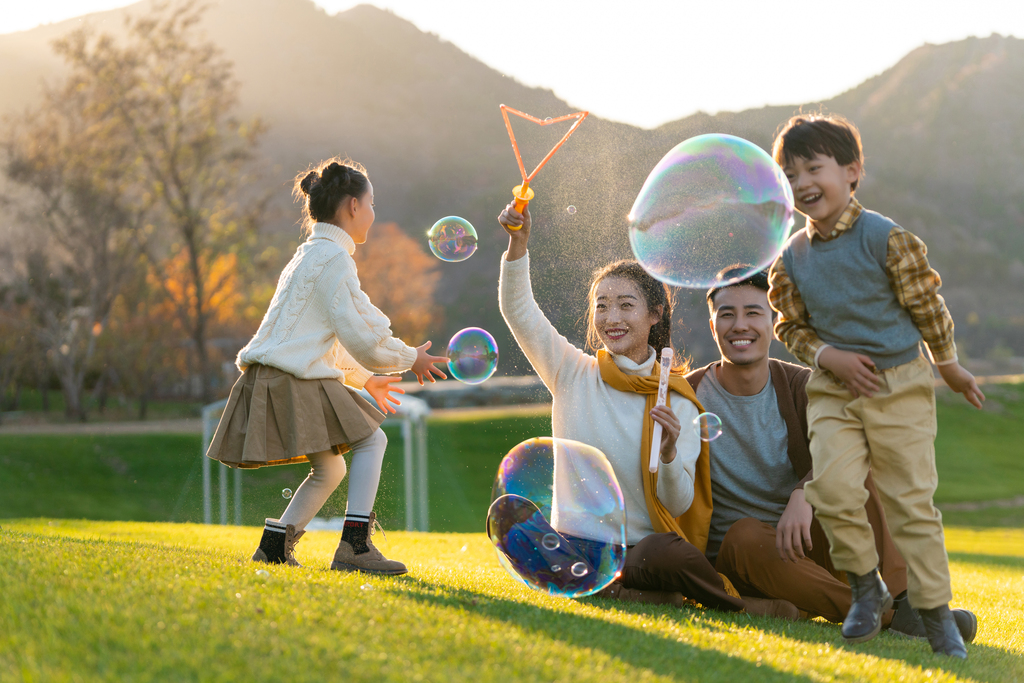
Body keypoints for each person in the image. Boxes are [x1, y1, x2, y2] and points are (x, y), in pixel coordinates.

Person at [497, 202, 796, 618]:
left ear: (655, 314)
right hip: (574, 544)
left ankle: (734, 607)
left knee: (672, 555)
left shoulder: (675, 399)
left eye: (625, 305)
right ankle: (623, 593)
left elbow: (677, 504)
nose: (610, 318)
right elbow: (519, 312)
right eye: (601, 305)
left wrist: (671, 453)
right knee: (508, 520)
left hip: (638, 552)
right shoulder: (571, 372)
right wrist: (518, 245)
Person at [768, 114, 985, 657]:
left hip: (899, 385)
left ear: (852, 170)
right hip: (833, 388)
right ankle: (867, 586)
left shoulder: (888, 239)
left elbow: (927, 306)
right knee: (835, 490)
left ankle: (936, 615)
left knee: (910, 505)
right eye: (789, 175)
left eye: (812, 169)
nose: (801, 184)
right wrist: (827, 356)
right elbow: (788, 325)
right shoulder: (791, 257)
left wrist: (949, 365)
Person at [686, 265, 976, 642]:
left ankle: (907, 599)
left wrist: (804, 491)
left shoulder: (803, 386)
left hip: (811, 546)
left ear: (774, 322)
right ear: (713, 327)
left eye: (753, 313)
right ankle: (889, 616)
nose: (740, 325)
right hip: (747, 560)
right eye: (727, 314)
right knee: (742, 536)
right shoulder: (688, 397)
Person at [206, 158, 448, 575]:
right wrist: (412, 357)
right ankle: (355, 547)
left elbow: (321, 339)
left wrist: (367, 378)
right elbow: (360, 335)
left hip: (269, 377)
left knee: (330, 466)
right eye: (372, 204)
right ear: (353, 206)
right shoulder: (335, 260)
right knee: (372, 442)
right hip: (290, 377)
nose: (373, 213)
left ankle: (275, 546)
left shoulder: (307, 256)